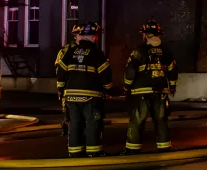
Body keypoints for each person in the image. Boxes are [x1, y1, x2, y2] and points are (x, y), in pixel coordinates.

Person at [56, 21, 112, 157]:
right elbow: (106, 75)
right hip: (91, 96)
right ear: (94, 37)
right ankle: (94, 152)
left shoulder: (69, 52)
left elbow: (61, 73)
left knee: (75, 123)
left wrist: (62, 89)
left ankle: (75, 152)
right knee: (93, 122)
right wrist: (107, 89)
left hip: (71, 96)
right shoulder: (96, 53)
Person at [123, 19, 179, 153]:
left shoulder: (139, 51)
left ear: (145, 35)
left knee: (137, 121)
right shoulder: (166, 51)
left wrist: (127, 86)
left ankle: (132, 149)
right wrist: (172, 87)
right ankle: (164, 147)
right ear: (158, 35)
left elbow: (130, 71)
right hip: (160, 91)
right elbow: (173, 71)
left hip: (140, 91)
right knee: (160, 120)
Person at [55, 23, 84, 141]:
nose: (82, 37)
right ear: (75, 35)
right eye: (80, 34)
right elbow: (59, 70)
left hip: (85, 87)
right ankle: (68, 127)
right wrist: (61, 88)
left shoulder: (90, 50)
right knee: (69, 112)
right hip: (69, 87)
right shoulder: (66, 51)